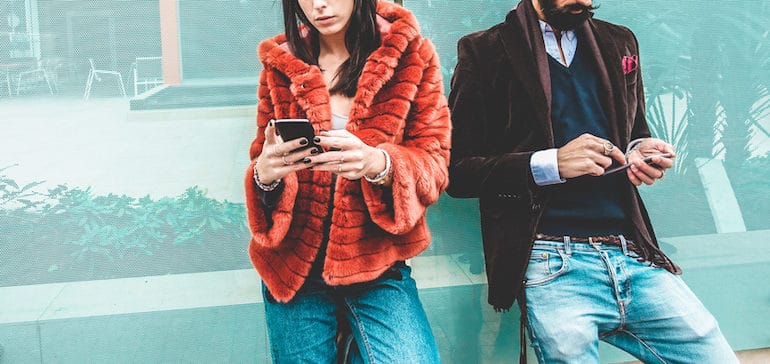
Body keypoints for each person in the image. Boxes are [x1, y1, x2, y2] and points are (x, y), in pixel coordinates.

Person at [447, 0, 739, 363]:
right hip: (550, 258)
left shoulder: (620, 42)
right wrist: (553, 163)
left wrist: (640, 151)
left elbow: (633, 132)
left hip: (631, 251)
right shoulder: (484, 50)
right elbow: (456, 172)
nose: (585, 2)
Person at [244, 0, 450, 362]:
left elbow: (435, 162)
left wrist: (380, 163)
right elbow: (262, 156)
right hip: (294, 265)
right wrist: (265, 175)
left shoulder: (411, 55)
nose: (318, 5)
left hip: (377, 260)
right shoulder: (281, 64)